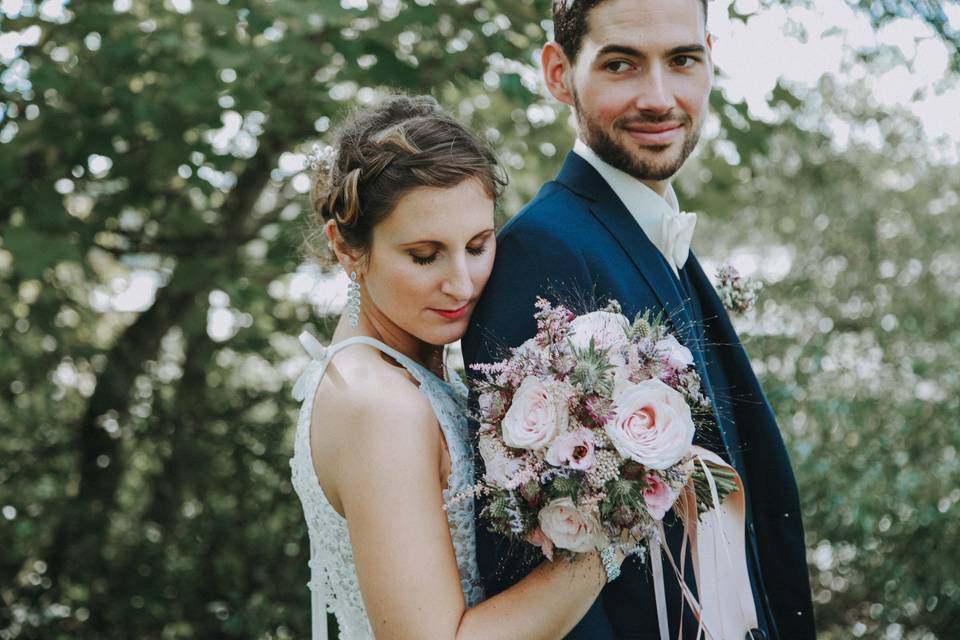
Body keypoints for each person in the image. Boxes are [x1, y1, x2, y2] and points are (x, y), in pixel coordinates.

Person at [462, 1, 816, 639]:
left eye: (682, 60)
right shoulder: (543, 252)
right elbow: (527, 563)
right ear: (558, 72)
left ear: (709, 56)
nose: (659, 98)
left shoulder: (655, 232)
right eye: (621, 64)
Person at [290, 95, 626, 640]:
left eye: (477, 245)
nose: (462, 283)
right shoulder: (377, 404)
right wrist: (614, 525)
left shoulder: (400, 371)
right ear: (347, 250)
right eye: (425, 255)